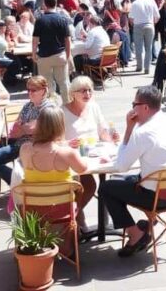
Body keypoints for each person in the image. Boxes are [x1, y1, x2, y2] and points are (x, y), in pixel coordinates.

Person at [99, 86, 166, 258]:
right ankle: (147, 223)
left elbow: (122, 164)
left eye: (134, 104)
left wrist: (129, 129)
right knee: (120, 179)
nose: (132, 108)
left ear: (145, 107)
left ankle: (135, 234)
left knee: (106, 187)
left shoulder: (143, 133)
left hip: (157, 197)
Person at [16, 105, 89, 232]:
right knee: (84, 185)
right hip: (62, 209)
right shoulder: (67, 153)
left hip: (33, 209)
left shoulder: (25, 149)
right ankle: (77, 229)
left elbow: (43, 148)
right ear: (60, 126)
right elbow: (83, 168)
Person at [63, 75, 117, 232]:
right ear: (73, 93)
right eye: (83, 91)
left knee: (104, 184)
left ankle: (77, 218)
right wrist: (67, 143)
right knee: (87, 186)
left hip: (94, 154)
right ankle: (76, 218)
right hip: (73, 157)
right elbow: (56, 139)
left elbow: (103, 130)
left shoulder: (94, 107)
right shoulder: (62, 111)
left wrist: (112, 139)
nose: (87, 94)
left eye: (89, 90)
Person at [0, 75, 56, 185]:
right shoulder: (27, 106)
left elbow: (32, 129)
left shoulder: (49, 108)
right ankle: (19, 183)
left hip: (38, 145)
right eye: (28, 90)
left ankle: (20, 184)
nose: (30, 93)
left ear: (43, 91)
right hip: (19, 144)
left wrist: (24, 128)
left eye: (33, 90)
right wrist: (25, 128)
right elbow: (16, 129)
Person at [33, 0, 73, 102]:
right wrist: (68, 55)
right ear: (55, 3)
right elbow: (68, 40)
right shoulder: (62, 19)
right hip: (60, 55)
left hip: (44, 56)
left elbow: (35, 40)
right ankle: (67, 105)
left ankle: (51, 106)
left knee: (47, 84)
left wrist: (33, 54)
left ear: (45, 4)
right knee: (64, 82)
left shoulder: (40, 20)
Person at [129, 0, 160, 75]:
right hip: (149, 25)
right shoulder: (151, 1)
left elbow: (131, 18)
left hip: (138, 25)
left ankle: (139, 66)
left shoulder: (135, 3)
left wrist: (134, 24)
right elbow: (157, 16)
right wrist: (152, 24)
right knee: (149, 48)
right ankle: (147, 68)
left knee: (138, 48)